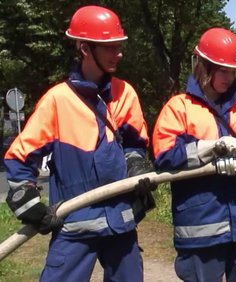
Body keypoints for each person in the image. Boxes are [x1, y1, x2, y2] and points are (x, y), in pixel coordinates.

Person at [4, 5, 155, 281]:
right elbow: (19, 159)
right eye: (110, 47)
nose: (118, 53)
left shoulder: (125, 93)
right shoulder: (58, 100)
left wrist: (136, 168)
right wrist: (31, 207)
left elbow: (135, 144)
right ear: (85, 48)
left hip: (121, 223)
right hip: (74, 225)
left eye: (119, 46)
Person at [152, 27, 236, 282]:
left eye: (233, 71)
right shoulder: (180, 108)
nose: (229, 77)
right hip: (202, 225)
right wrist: (209, 147)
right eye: (222, 70)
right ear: (202, 65)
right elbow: (164, 157)